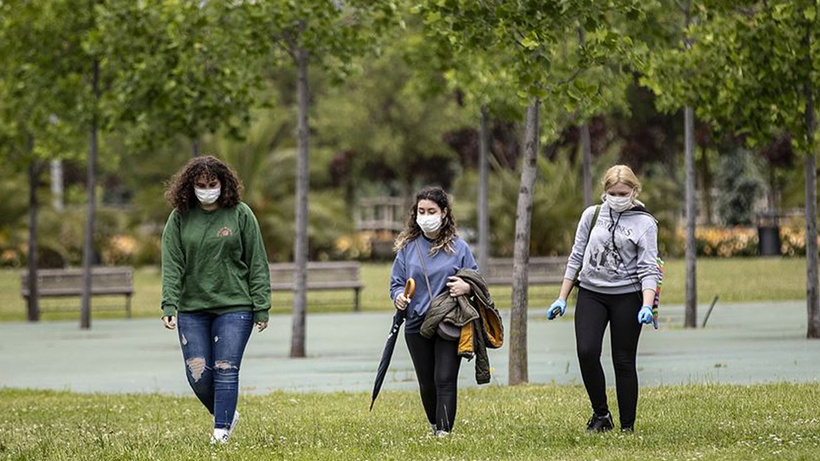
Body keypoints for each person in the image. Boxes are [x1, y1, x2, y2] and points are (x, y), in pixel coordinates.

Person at [160, 155, 271, 444]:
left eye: (212, 184)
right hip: (192, 309)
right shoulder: (179, 218)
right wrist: (169, 303)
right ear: (190, 186)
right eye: (201, 185)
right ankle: (227, 413)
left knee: (226, 368)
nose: (207, 190)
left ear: (223, 184)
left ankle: (220, 431)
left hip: (235, 307)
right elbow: (172, 264)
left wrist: (262, 306)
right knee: (197, 374)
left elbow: (257, 262)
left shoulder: (241, 214)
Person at [547, 165, 660, 433]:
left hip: (627, 297)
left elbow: (648, 268)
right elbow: (576, 257)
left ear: (634, 191)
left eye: (623, 193)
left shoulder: (645, 223)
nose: (617, 198)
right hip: (591, 293)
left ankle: (627, 426)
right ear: (605, 191)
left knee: (623, 360)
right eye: (613, 193)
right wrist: (562, 297)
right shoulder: (592, 215)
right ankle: (601, 414)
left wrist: (647, 305)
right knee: (586, 352)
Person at [389, 186, 478, 437]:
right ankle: (434, 424)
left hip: (449, 322)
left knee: (445, 378)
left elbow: (476, 279)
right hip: (416, 323)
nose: (426, 216)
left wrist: (466, 286)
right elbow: (396, 284)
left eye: (431, 211)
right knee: (427, 381)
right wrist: (399, 298)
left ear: (444, 213)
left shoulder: (460, 248)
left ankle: (444, 433)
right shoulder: (407, 248)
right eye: (421, 211)